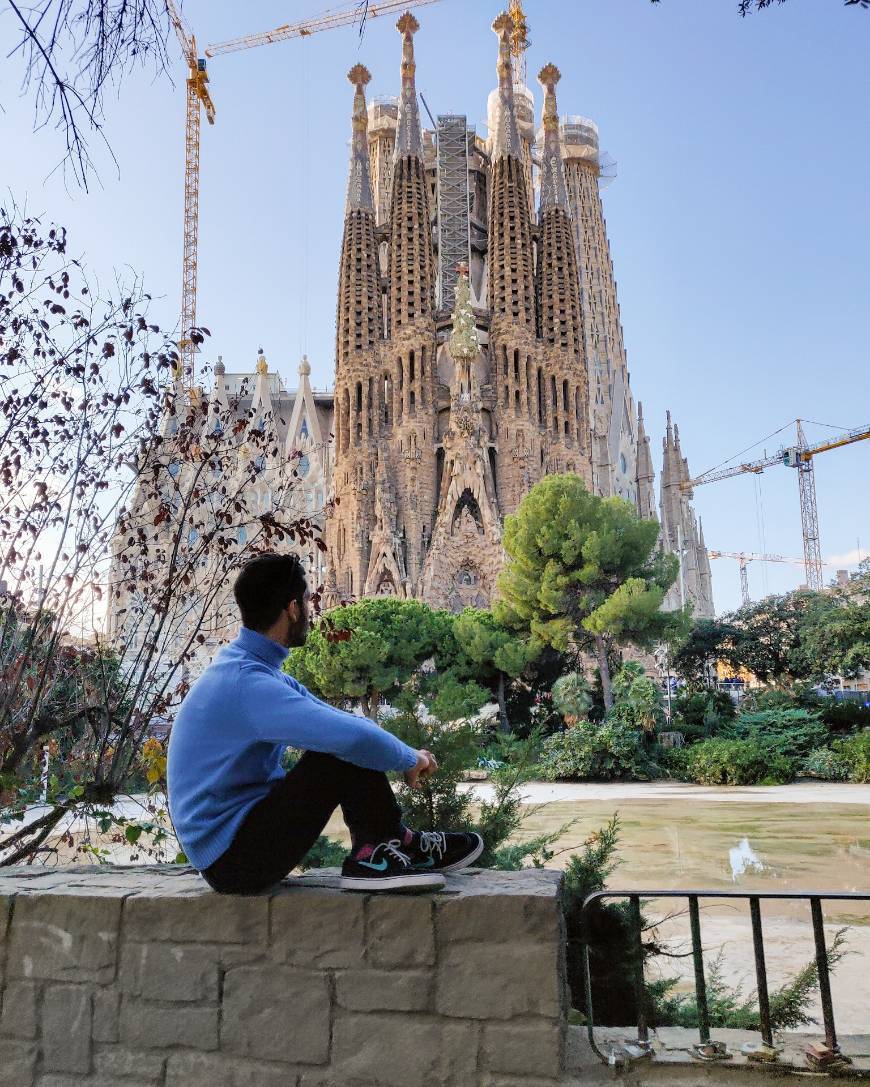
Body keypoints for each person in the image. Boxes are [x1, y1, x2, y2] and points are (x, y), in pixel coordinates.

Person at [167, 552, 483, 894]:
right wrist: (410, 759)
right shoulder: (247, 682)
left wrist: (404, 752)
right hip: (232, 862)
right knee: (337, 753)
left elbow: (339, 720)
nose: (310, 611)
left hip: (235, 847)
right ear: (291, 609)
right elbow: (347, 738)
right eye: (306, 601)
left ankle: (395, 841)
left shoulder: (249, 669)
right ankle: (372, 855)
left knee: (346, 738)